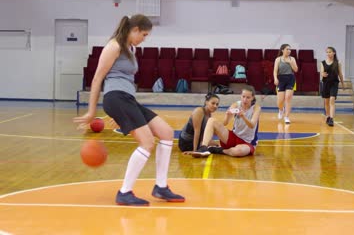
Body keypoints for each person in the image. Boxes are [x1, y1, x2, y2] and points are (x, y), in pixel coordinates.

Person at [73, 14, 184, 206]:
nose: (144, 39)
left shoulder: (131, 49)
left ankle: (161, 187)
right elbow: (97, 78)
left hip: (126, 100)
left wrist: (123, 112)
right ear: (134, 30)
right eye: (144, 34)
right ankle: (124, 192)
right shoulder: (114, 46)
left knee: (166, 133)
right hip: (116, 98)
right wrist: (91, 112)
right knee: (147, 143)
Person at [190, 86, 261, 158]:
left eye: (248, 97)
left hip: (248, 142)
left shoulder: (256, 108)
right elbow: (225, 123)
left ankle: (219, 150)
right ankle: (204, 147)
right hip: (234, 136)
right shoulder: (236, 104)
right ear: (241, 96)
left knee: (238, 151)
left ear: (252, 98)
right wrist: (227, 115)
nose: (245, 100)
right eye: (243, 97)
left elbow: (252, 125)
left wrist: (243, 117)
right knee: (212, 121)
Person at [273, 44, 298, 124]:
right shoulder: (278, 59)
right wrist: (275, 78)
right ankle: (281, 109)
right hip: (281, 79)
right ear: (282, 50)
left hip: (290, 79)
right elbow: (275, 71)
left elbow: (296, 70)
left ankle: (287, 117)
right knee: (280, 101)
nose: (289, 51)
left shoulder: (292, 59)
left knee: (288, 98)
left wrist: (290, 62)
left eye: (290, 49)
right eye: (287, 49)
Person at [320, 47, 344, 127]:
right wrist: (322, 74)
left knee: (332, 100)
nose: (328, 53)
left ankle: (331, 119)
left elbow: (340, 74)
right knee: (326, 102)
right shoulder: (323, 63)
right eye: (327, 52)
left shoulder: (338, 63)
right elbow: (321, 72)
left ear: (334, 53)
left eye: (330, 52)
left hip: (334, 84)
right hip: (326, 83)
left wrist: (343, 84)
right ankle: (327, 116)